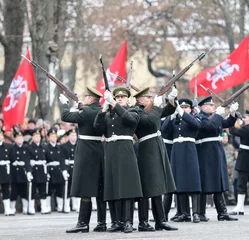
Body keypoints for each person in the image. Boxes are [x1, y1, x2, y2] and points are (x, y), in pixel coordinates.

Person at [94, 87, 143, 233]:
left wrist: (115, 105)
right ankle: (116, 221)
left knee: (127, 186)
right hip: (110, 151)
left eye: (123, 97)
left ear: (128, 99)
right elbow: (97, 128)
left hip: (125, 150)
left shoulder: (133, 111)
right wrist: (103, 110)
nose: (120, 98)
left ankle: (128, 221)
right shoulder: (109, 114)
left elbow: (130, 120)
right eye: (117, 97)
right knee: (112, 186)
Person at [60, 87, 107, 233]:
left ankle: (83, 223)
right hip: (99, 149)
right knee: (100, 188)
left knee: (85, 188)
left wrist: (64, 104)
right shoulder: (101, 111)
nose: (84, 97)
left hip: (86, 151)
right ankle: (101, 222)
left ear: (91, 99)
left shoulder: (86, 112)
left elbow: (65, 116)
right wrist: (81, 106)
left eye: (86, 96)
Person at [134, 87, 178, 231]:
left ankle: (160, 220)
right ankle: (143, 221)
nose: (151, 100)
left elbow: (168, 111)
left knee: (157, 186)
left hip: (157, 147)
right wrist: (156, 106)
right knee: (147, 188)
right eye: (149, 98)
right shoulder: (137, 111)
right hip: (146, 150)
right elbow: (151, 121)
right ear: (141, 100)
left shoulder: (151, 109)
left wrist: (171, 99)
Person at [196, 96, 238, 221]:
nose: (213, 107)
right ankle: (201, 212)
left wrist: (233, 113)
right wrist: (219, 115)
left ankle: (222, 212)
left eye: (213, 105)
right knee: (205, 182)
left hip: (216, 150)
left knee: (219, 181)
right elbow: (211, 126)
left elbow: (228, 123)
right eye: (210, 105)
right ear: (202, 107)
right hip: (206, 152)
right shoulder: (199, 117)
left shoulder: (215, 117)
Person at [161, 98, 202, 223]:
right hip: (176, 152)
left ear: (191, 109)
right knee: (178, 182)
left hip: (189, 151)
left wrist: (183, 114)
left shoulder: (195, 118)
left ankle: (195, 213)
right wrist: (172, 116)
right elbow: (164, 130)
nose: (183, 109)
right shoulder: (174, 120)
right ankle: (183, 213)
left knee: (193, 182)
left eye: (186, 108)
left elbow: (196, 125)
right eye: (182, 107)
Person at [229, 110, 249, 215]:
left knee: (241, 183)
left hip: (244, 158)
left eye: (247, 117)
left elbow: (232, 130)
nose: (245, 118)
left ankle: (240, 207)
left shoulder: (247, 129)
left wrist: (233, 118)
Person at [45, 128, 69, 213]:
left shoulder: (60, 147)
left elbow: (62, 160)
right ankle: (47, 207)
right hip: (50, 170)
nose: (54, 138)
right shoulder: (46, 147)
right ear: (48, 138)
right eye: (52, 136)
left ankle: (60, 206)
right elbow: (45, 161)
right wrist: (46, 172)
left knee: (59, 190)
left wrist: (64, 170)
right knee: (49, 190)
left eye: (55, 136)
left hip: (58, 170)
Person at [9, 130, 32, 215]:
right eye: (18, 138)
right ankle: (12, 208)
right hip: (14, 173)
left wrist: (29, 171)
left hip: (23, 173)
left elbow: (27, 160)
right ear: (15, 139)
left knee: (24, 192)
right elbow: (10, 159)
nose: (20, 139)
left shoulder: (26, 148)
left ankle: (26, 208)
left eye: (21, 138)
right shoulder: (12, 148)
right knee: (13, 192)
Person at [27, 129, 49, 214]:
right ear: (32, 137)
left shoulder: (44, 147)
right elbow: (27, 160)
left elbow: (48, 159)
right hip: (34, 170)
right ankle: (31, 208)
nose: (37, 138)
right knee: (32, 190)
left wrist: (48, 172)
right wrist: (29, 171)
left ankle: (44, 207)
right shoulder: (29, 147)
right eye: (35, 136)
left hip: (42, 170)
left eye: (38, 136)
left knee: (43, 190)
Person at [61, 128, 78, 212]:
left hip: (77, 168)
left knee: (77, 187)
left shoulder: (79, 145)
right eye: (72, 135)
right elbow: (62, 159)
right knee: (68, 188)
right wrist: (64, 170)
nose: (74, 137)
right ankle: (67, 206)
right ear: (68, 137)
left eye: (75, 135)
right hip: (68, 168)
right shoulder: (64, 146)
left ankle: (76, 205)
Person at [0, 129, 14, 216]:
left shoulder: (8, 147)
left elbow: (12, 159)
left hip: (5, 170)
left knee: (5, 189)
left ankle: (7, 209)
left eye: (0, 135)